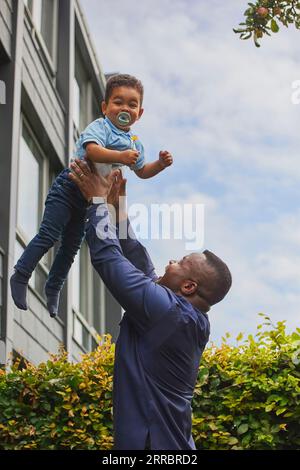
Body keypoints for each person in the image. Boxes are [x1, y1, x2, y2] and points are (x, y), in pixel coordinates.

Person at [69, 159, 232, 450]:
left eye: (180, 262)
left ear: (189, 286)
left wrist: (96, 203)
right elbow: (140, 265)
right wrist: (117, 210)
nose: (170, 262)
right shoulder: (182, 315)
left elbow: (110, 260)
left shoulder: (170, 313)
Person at [10, 74, 173, 317]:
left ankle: (53, 288)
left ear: (139, 113)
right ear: (105, 107)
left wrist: (159, 165)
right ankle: (21, 274)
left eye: (132, 104)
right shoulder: (100, 126)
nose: (125, 108)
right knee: (49, 235)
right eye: (118, 102)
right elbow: (93, 151)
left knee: (71, 248)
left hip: (89, 201)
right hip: (69, 188)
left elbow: (142, 171)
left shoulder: (135, 144)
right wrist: (120, 157)